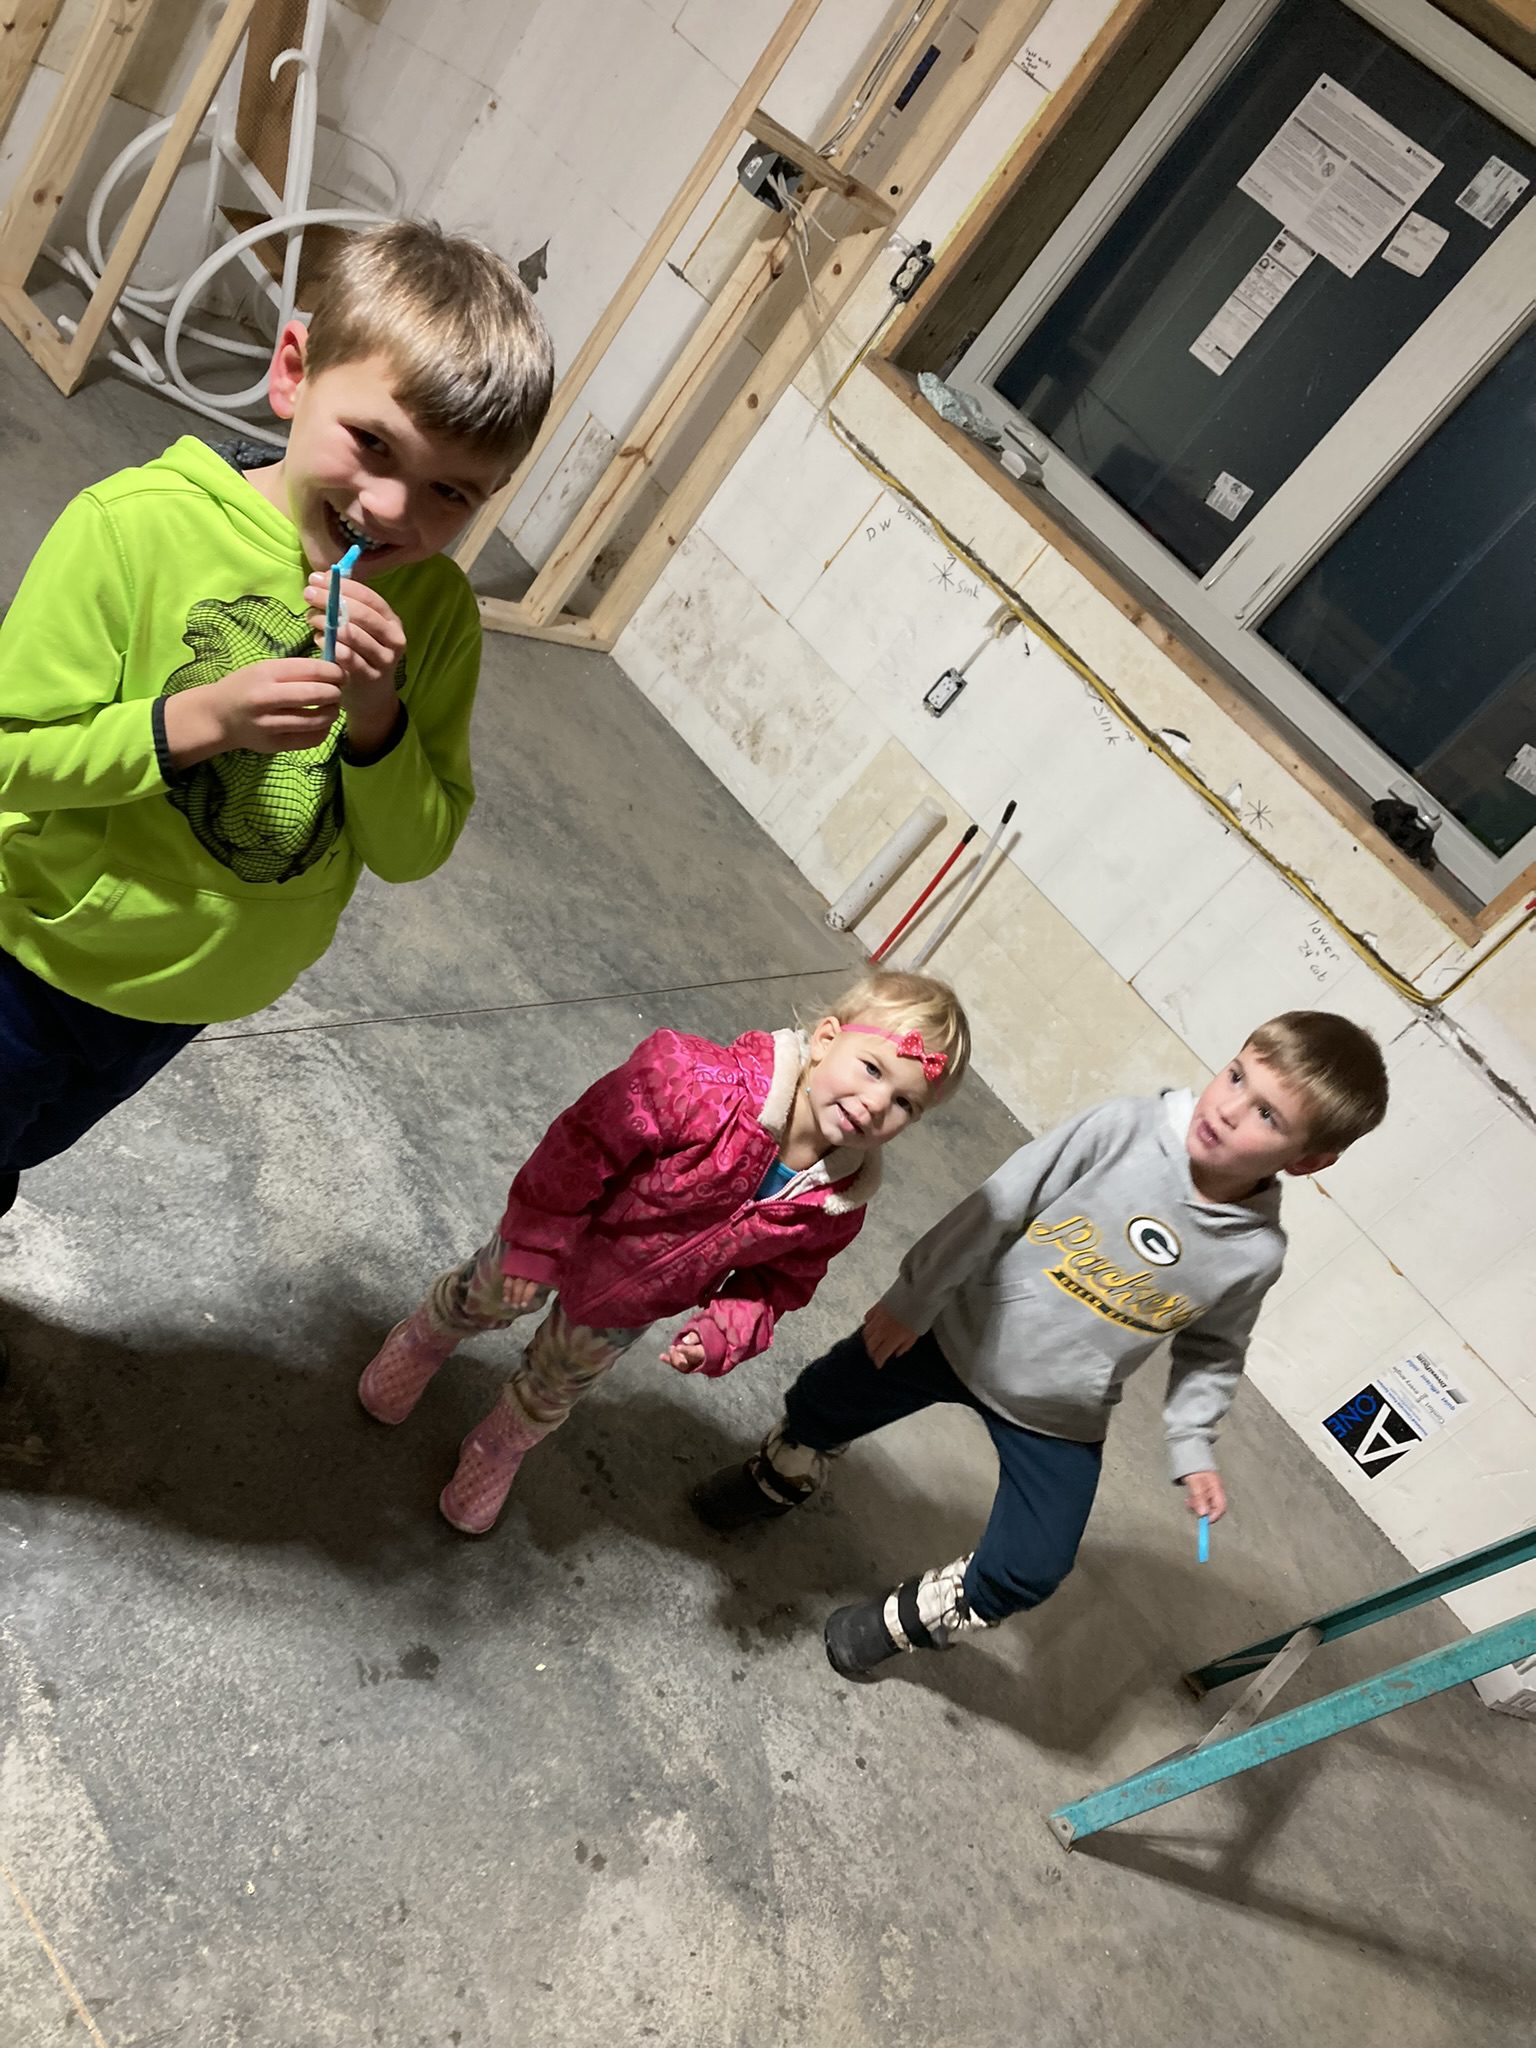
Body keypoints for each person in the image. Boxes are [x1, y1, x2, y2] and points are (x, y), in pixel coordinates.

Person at [0, 221, 552, 1298]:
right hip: (34, 952)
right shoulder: (134, 528)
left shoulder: (434, 614)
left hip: (193, 988)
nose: (394, 509)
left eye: (454, 492)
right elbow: (11, 754)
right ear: (292, 371)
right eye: (375, 444)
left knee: (26, 1145)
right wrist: (195, 722)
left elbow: (412, 847)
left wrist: (382, 718)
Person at [691, 1011, 1389, 1682]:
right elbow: (1000, 1203)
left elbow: (1214, 1349)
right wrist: (914, 1300)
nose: (1232, 1108)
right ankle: (782, 1473)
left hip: (1060, 1410)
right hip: (953, 1334)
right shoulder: (1123, 1129)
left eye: (1269, 1115)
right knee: (820, 1397)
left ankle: (909, 1618)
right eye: (1237, 1076)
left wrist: (1194, 1442)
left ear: (1309, 1160)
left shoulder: (1256, 1255)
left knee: (1033, 1566)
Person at [357, 971, 970, 1535]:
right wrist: (537, 1241)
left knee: (558, 1381)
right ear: (825, 1039)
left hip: (630, 1300)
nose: (877, 1103)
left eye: (905, 1103)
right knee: (482, 1297)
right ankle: (422, 1341)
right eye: (871, 1068)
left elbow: (780, 1281)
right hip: (568, 1234)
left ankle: (498, 1447)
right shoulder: (698, 1085)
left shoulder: (837, 1203)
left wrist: (727, 1328)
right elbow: (584, 1142)